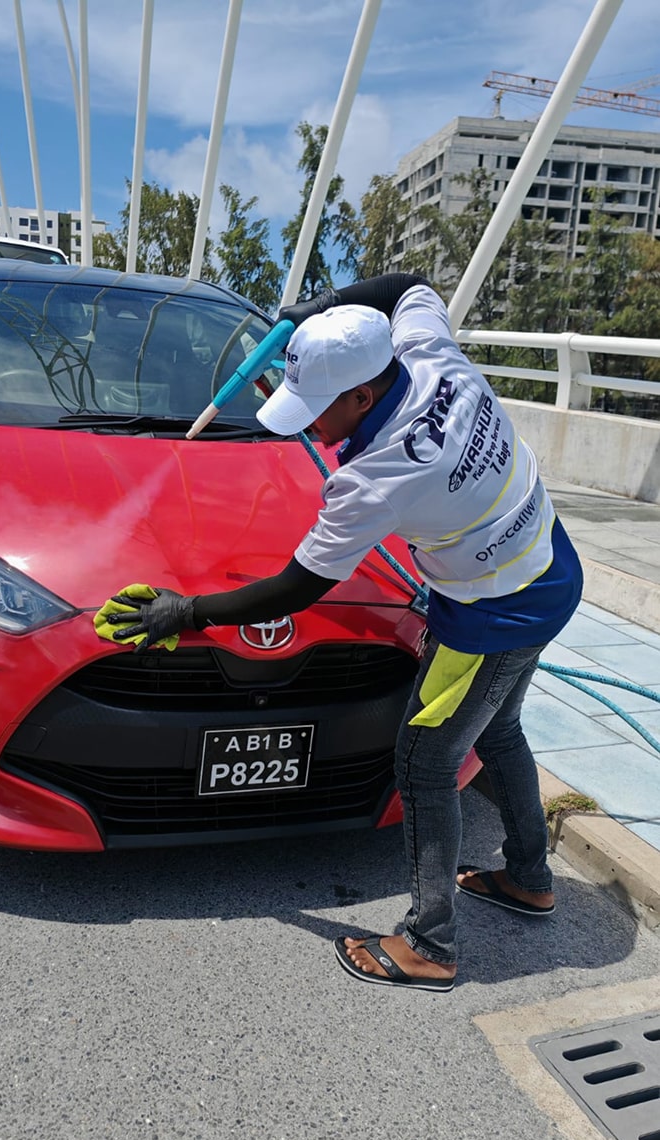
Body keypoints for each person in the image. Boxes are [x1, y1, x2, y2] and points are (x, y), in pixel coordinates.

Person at [102, 273, 583, 994]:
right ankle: (529, 877)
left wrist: (189, 612)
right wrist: (325, 309)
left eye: (317, 409)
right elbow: (412, 285)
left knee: (425, 760)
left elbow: (297, 587)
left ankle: (430, 944)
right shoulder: (427, 351)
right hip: (549, 562)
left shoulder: (378, 475)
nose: (308, 427)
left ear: (361, 395)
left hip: (495, 612)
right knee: (500, 729)